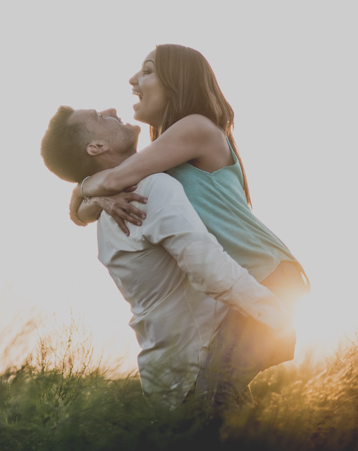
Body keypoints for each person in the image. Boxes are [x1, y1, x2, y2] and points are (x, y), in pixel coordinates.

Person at [68, 44, 308, 409]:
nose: (134, 79)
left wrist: (88, 188)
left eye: (147, 71)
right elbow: (80, 212)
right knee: (218, 396)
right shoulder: (166, 151)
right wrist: (97, 198)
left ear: (175, 82)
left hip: (270, 275)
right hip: (248, 282)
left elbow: (116, 178)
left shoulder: (195, 127)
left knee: (216, 393)